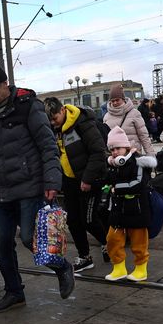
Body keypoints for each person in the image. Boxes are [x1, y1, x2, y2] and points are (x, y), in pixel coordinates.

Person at [0, 60, 74, 313]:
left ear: (5, 83)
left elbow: (48, 146)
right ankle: (14, 292)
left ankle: (62, 266)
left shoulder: (29, 106)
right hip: (3, 189)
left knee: (30, 239)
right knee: (3, 246)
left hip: (29, 186)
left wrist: (52, 182)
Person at [43, 97, 109, 272]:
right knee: (73, 220)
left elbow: (98, 152)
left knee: (88, 220)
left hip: (90, 179)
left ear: (62, 110)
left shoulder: (83, 123)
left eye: (54, 118)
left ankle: (108, 242)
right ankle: (85, 256)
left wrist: (87, 179)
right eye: (49, 120)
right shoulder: (53, 129)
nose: (53, 123)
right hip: (69, 181)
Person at [103, 126, 156, 282]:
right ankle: (119, 268)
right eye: (112, 149)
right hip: (119, 210)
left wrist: (116, 189)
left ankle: (141, 269)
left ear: (126, 147)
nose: (114, 152)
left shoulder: (139, 162)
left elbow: (138, 183)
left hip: (137, 209)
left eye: (117, 148)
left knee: (139, 242)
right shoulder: (113, 166)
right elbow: (108, 181)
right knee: (112, 239)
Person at [104, 84, 154, 155]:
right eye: (112, 101)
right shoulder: (106, 117)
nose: (115, 103)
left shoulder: (134, 113)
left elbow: (143, 136)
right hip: (115, 157)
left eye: (117, 100)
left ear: (123, 99)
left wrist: (151, 154)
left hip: (133, 155)